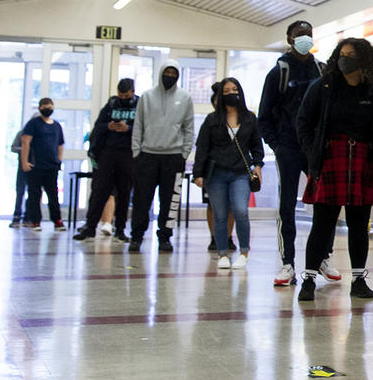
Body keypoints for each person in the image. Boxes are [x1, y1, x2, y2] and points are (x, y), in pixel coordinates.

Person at [295, 37, 373, 303]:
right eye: (341, 54)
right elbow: (303, 121)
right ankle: (309, 279)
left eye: (351, 55)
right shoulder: (323, 86)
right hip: (331, 159)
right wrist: (312, 150)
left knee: (359, 224)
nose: (344, 59)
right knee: (322, 224)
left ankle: (359, 279)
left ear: (363, 61)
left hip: (363, 160)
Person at [257, 20, 327, 288]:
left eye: (309, 34)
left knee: (324, 202)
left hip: (315, 149)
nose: (305, 39)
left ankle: (323, 255)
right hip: (287, 147)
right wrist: (276, 145)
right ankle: (288, 263)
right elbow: (264, 116)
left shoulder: (321, 70)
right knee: (287, 205)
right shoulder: (279, 72)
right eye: (300, 35)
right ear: (289, 39)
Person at [192, 78, 264, 271]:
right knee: (220, 214)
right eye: (226, 90)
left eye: (234, 89)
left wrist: (258, 166)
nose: (231, 93)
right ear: (220, 96)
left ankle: (244, 252)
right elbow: (202, 148)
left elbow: (257, 145)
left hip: (241, 172)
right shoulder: (212, 120)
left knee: (241, 210)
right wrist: (198, 173)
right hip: (216, 173)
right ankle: (222, 252)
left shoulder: (249, 118)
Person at [130, 64, 195, 255]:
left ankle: (165, 236)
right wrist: (136, 152)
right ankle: (136, 236)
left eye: (174, 73)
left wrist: (184, 154)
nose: (169, 76)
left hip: (173, 158)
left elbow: (189, 128)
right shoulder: (147, 96)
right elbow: (138, 125)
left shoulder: (185, 98)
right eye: (167, 73)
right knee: (142, 200)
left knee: (170, 200)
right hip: (147, 156)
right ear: (160, 74)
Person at [76, 78, 137, 241]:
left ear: (132, 92)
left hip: (128, 154)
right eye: (121, 95)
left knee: (124, 194)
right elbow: (98, 126)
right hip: (108, 154)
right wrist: (109, 126)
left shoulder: (140, 106)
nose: (123, 98)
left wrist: (128, 128)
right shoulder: (111, 104)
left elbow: (145, 129)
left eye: (126, 95)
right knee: (99, 192)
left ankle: (121, 229)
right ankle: (90, 227)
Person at [19, 97, 65, 231]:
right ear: (39, 108)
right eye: (45, 106)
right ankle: (35, 221)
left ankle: (57, 220)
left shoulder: (56, 126)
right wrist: (25, 162)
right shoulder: (33, 124)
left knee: (53, 195)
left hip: (51, 166)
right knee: (34, 194)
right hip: (35, 165)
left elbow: (60, 144)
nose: (47, 109)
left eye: (49, 106)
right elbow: (25, 142)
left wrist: (59, 160)